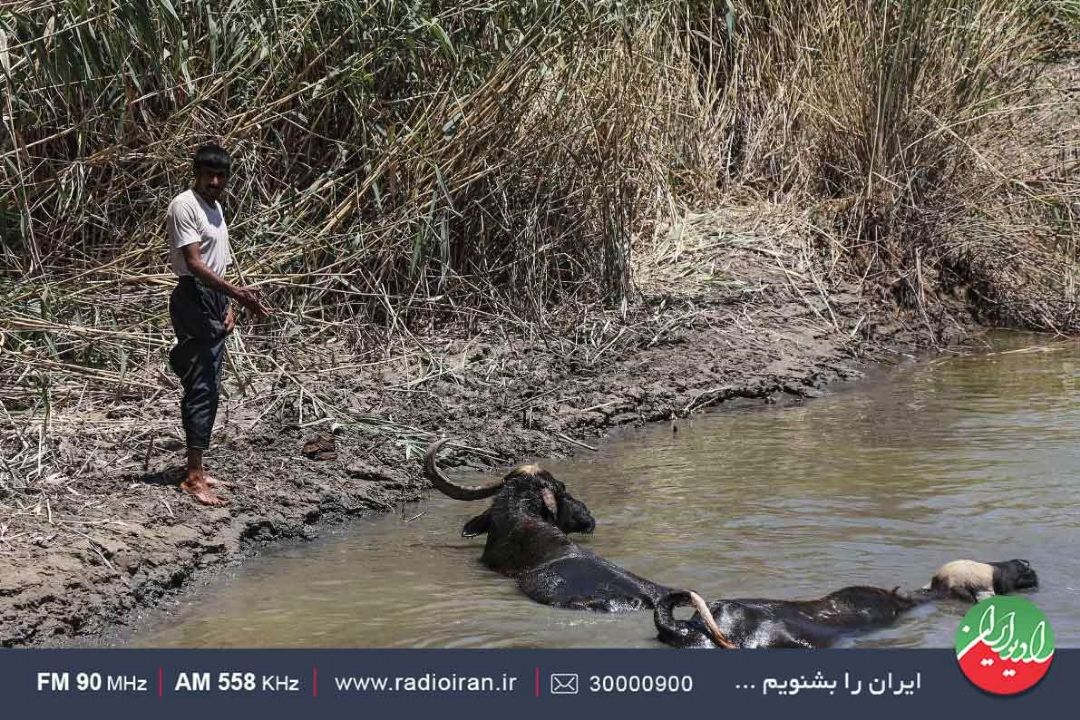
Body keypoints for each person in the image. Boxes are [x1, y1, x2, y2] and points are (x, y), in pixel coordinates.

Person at [166, 143, 270, 506]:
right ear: (196, 172)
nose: (214, 181)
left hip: (212, 298)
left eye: (220, 175)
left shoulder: (215, 207)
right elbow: (194, 264)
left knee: (209, 382)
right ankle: (193, 477)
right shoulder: (185, 205)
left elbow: (218, 261)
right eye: (208, 174)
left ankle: (196, 467)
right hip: (192, 297)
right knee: (201, 385)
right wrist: (239, 295)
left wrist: (228, 304)